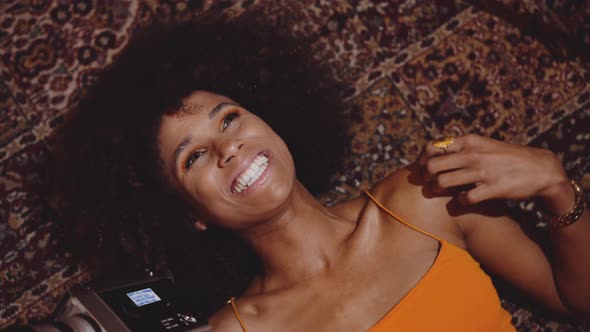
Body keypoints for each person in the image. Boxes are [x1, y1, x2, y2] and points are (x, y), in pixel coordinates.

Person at [50, 14, 590, 332]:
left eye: (230, 118)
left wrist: (555, 187)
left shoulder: (425, 197)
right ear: (189, 215)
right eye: (192, 158)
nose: (229, 148)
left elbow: (576, 303)